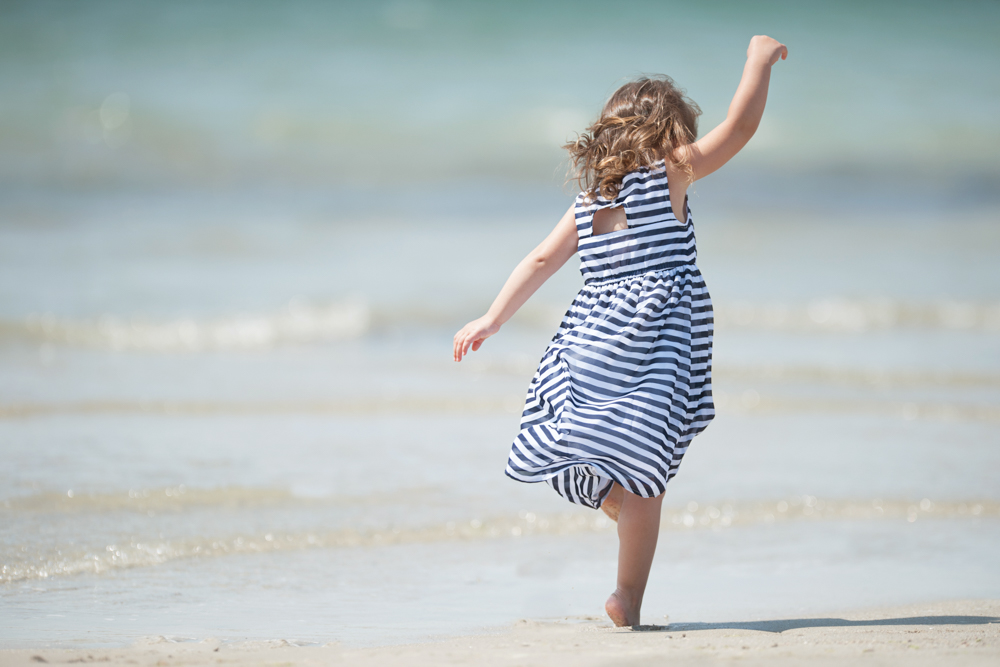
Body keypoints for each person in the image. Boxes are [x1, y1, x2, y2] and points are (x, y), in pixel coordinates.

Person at [453, 35, 788, 627]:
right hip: (652, 349)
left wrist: (492, 317)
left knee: (589, 447)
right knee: (649, 477)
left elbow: (538, 262)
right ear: (672, 137)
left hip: (588, 345)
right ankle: (627, 596)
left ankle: (615, 503)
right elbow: (739, 129)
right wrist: (756, 62)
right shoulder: (671, 177)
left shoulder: (589, 202)